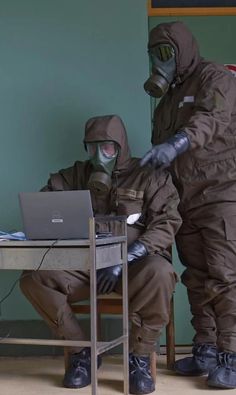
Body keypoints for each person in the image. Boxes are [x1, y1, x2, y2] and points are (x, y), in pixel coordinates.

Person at [20, 114, 181, 395]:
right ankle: (83, 351)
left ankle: (139, 358)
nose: (99, 156)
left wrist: (125, 259)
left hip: (135, 268)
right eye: (91, 148)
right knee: (34, 277)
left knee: (161, 272)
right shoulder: (73, 176)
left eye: (105, 148)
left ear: (120, 147)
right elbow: (44, 210)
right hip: (86, 267)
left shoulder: (150, 176)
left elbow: (167, 224)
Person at [141, 21, 236, 389]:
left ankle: (231, 354)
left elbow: (210, 121)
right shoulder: (164, 103)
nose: (159, 61)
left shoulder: (215, 79)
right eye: (153, 55)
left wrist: (176, 145)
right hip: (185, 201)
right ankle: (206, 350)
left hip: (221, 195)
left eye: (166, 53)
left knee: (224, 276)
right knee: (196, 278)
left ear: (183, 50)